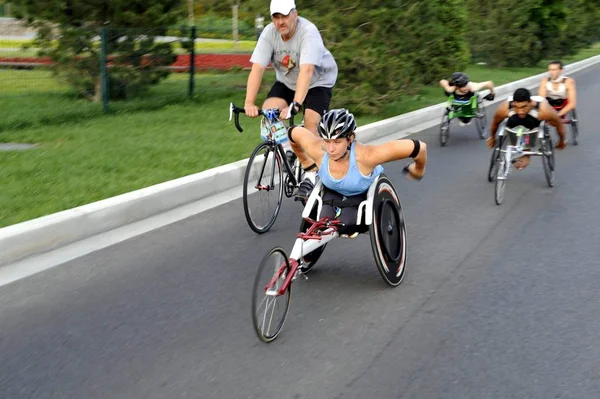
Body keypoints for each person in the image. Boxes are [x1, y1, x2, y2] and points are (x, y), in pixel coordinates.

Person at [244, 0, 338, 199]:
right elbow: (257, 69)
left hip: (318, 81)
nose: (280, 22)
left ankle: (312, 173)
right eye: (276, 17)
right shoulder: (269, 34)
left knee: (311, 125)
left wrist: (296, 105)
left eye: (285, 16)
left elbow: (307, 71)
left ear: (295, 13)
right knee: (270, 112)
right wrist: (249, 103)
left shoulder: (308, 32)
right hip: (287, 81)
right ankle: (289, 151)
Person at [288, 108, 427, 237]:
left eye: (337, 142)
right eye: (327, 141)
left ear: (350, 138)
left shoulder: (367, 156)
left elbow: (420, 148)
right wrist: (307, 164)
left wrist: (418, 170)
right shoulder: (318, 150)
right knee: (323, 222)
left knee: (347, 225)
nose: (330, 149)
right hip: (332, 193)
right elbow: (293, 133)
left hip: (361, 194)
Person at [487, 88, 567, 169]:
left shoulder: (544, 110)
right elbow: (495, 122)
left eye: (524, 107)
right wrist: (492, 137)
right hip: (516, 121)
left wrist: (561, 140)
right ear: (513, 104)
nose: (520, 111)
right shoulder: (504, 108)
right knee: (513, 121)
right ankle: (520, 146)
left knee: (531, 123)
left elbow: (559, 124)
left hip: (534, 119)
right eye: (517, 107)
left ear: (530, 103)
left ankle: (526, 152)